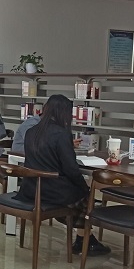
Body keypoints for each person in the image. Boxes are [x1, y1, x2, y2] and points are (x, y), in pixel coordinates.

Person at [17, 94, 110, 255]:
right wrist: (84, 187)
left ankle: (84, 239)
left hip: (31, 190)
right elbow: (71, 169)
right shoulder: (61, 134)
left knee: (79, 196)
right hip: (52, 192)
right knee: (85, 196)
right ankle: (85, 240)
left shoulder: (31, 132)